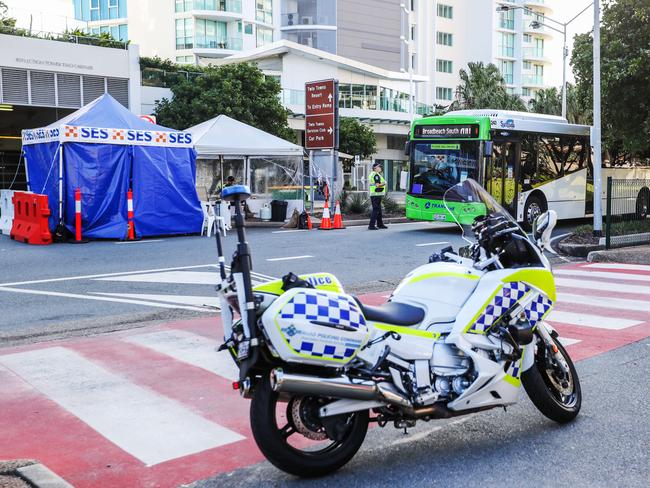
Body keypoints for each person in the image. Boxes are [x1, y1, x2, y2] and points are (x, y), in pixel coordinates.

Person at [368, 162, 388, 230]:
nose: (380, 168)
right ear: (375, 168)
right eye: (379, 167)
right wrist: (384, 183)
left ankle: (380, 224)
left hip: (376, 194)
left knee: (379, 210)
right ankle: (371, 225)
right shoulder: (375, 175)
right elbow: (377, 185)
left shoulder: (373, 174)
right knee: (376, 210)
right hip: (376, 195)